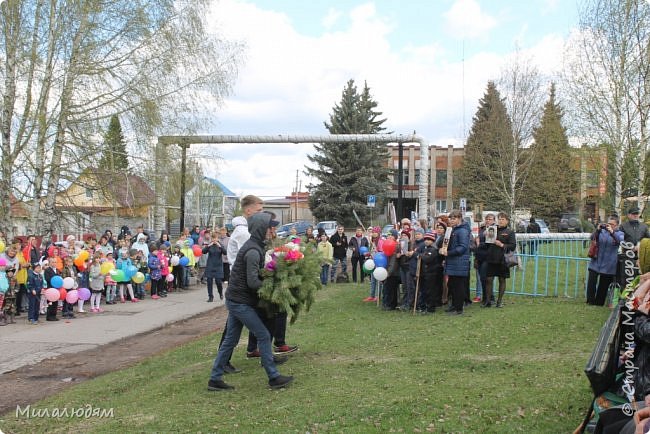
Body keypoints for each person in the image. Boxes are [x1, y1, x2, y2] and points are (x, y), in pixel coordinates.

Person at [207, 212, 294, 390]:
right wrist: (273, 285)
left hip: (236, 299)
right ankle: (273, 376)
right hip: (240, 302)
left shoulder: (255, 246)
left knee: (230, 340)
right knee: (262, 334)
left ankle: (214, 379)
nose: (273, 230)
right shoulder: (253, 251)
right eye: (271, 227)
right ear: (262, 229)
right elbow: (253, 282)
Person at [482, 212, 516, 308]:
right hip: (491, 258)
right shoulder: (492, 229)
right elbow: (487, 244)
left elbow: (513, 246)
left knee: (502, 279)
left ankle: (499, 301)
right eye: (499, 219)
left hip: (503, 259)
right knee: (489, 279)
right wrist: (485, 237)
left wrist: (501, 245)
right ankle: (488, 301)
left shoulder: (510, 232)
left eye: (503, 219)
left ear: (507, 221)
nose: (500, 221)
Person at [586, 216, 623, 306]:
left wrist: (612, 232)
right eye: (608, 223)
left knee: (603, 285)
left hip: (609, 263)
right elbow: (592, 237)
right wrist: (597, 230)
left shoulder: (620, 233)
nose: (609, 226)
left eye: (612, 224)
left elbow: (619, 241)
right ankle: (590, 301)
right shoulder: (602, 231)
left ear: (617, 225)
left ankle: (599, 302)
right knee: (591, 282)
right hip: (596, 261)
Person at [440, 210, 471, 315]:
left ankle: (459, 308)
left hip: (459, 262)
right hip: (452, 261)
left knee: (458, 286)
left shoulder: (462, 231)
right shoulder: (453, 230)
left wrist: (448, 253)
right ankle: (454, 305)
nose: (451, 220)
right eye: (450, 218)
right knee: (452, 284)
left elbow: (462, 248)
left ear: (459, 218)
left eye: (453, 218)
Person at [202, 231, 225, 302]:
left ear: (217, 238)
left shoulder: (220, 245)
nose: (214, 240)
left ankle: (220, 292)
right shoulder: (209, 245)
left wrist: (220, 246)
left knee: (218, 282)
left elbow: (225, 252)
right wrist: (208, 245)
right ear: (211, 238)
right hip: (210, 265)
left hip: (218, 266)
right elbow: (203, 251)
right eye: (213, 238)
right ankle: (210, 296)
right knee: (209, 281)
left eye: (215, 238)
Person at [43, 257, 61, 321]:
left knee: (55, 302)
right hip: (50, 288)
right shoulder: (47, 270)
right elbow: (47, 278)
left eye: (55, 262)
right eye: (52, 262)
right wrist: (54, 279)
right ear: (50, 263)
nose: (54, 263)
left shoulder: (57, 270)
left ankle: (54, 315)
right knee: (50, 303)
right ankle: (49, 316)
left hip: (56, 289)